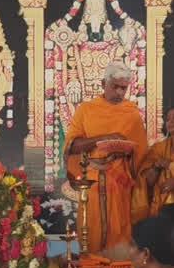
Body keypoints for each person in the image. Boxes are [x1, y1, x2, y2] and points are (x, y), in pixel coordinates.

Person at [63, 61, 148, 253]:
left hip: (121, 184)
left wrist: (126, 151)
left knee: (120, 233)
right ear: (103, 84)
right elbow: (72, 146)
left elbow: (141, 157)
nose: (119, 92)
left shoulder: (132, 114)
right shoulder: (86, 110)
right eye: (115, 87)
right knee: (90, 232)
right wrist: (104, 139)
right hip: (91, 182)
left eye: (123, 88)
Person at [136, 106, 174, 217]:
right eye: (168, 119)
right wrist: (156, 166)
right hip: (164, 209)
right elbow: (146, 183)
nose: (170, 121)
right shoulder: (158, 149)